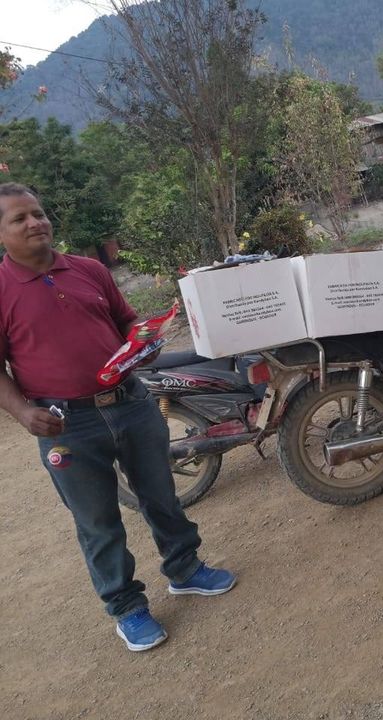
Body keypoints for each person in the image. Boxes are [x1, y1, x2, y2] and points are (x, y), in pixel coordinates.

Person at [0, 183, 236, 652]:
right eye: (19, 218)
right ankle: (127, 607)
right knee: (98, 521)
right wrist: (24, 411)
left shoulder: (88, 270)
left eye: (38, 213)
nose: (35, 223)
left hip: (131, 402)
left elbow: (126, 321)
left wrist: (143, 342)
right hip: (66, 424)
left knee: (161, 495)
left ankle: (185, 569)